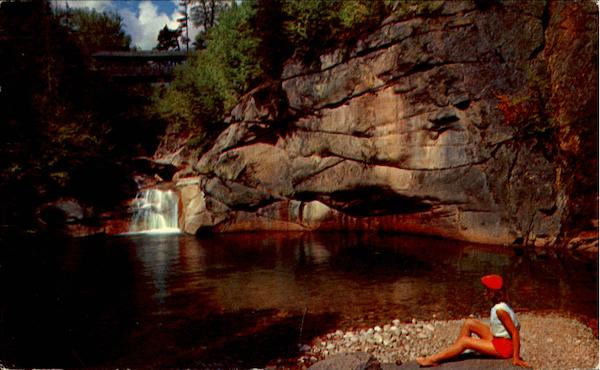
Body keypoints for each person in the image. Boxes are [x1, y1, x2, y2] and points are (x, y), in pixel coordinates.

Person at [416, 274, 531, 368]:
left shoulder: (500, 311)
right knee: (469, 323)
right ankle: (455, 350)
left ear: (494, 293)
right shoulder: (501, 305)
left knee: (465, 341)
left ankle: (433, 360)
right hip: (498, 339)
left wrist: (516, 357)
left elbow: (515, 332)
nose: (484, 292)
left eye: (486, 290)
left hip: (504, 348)